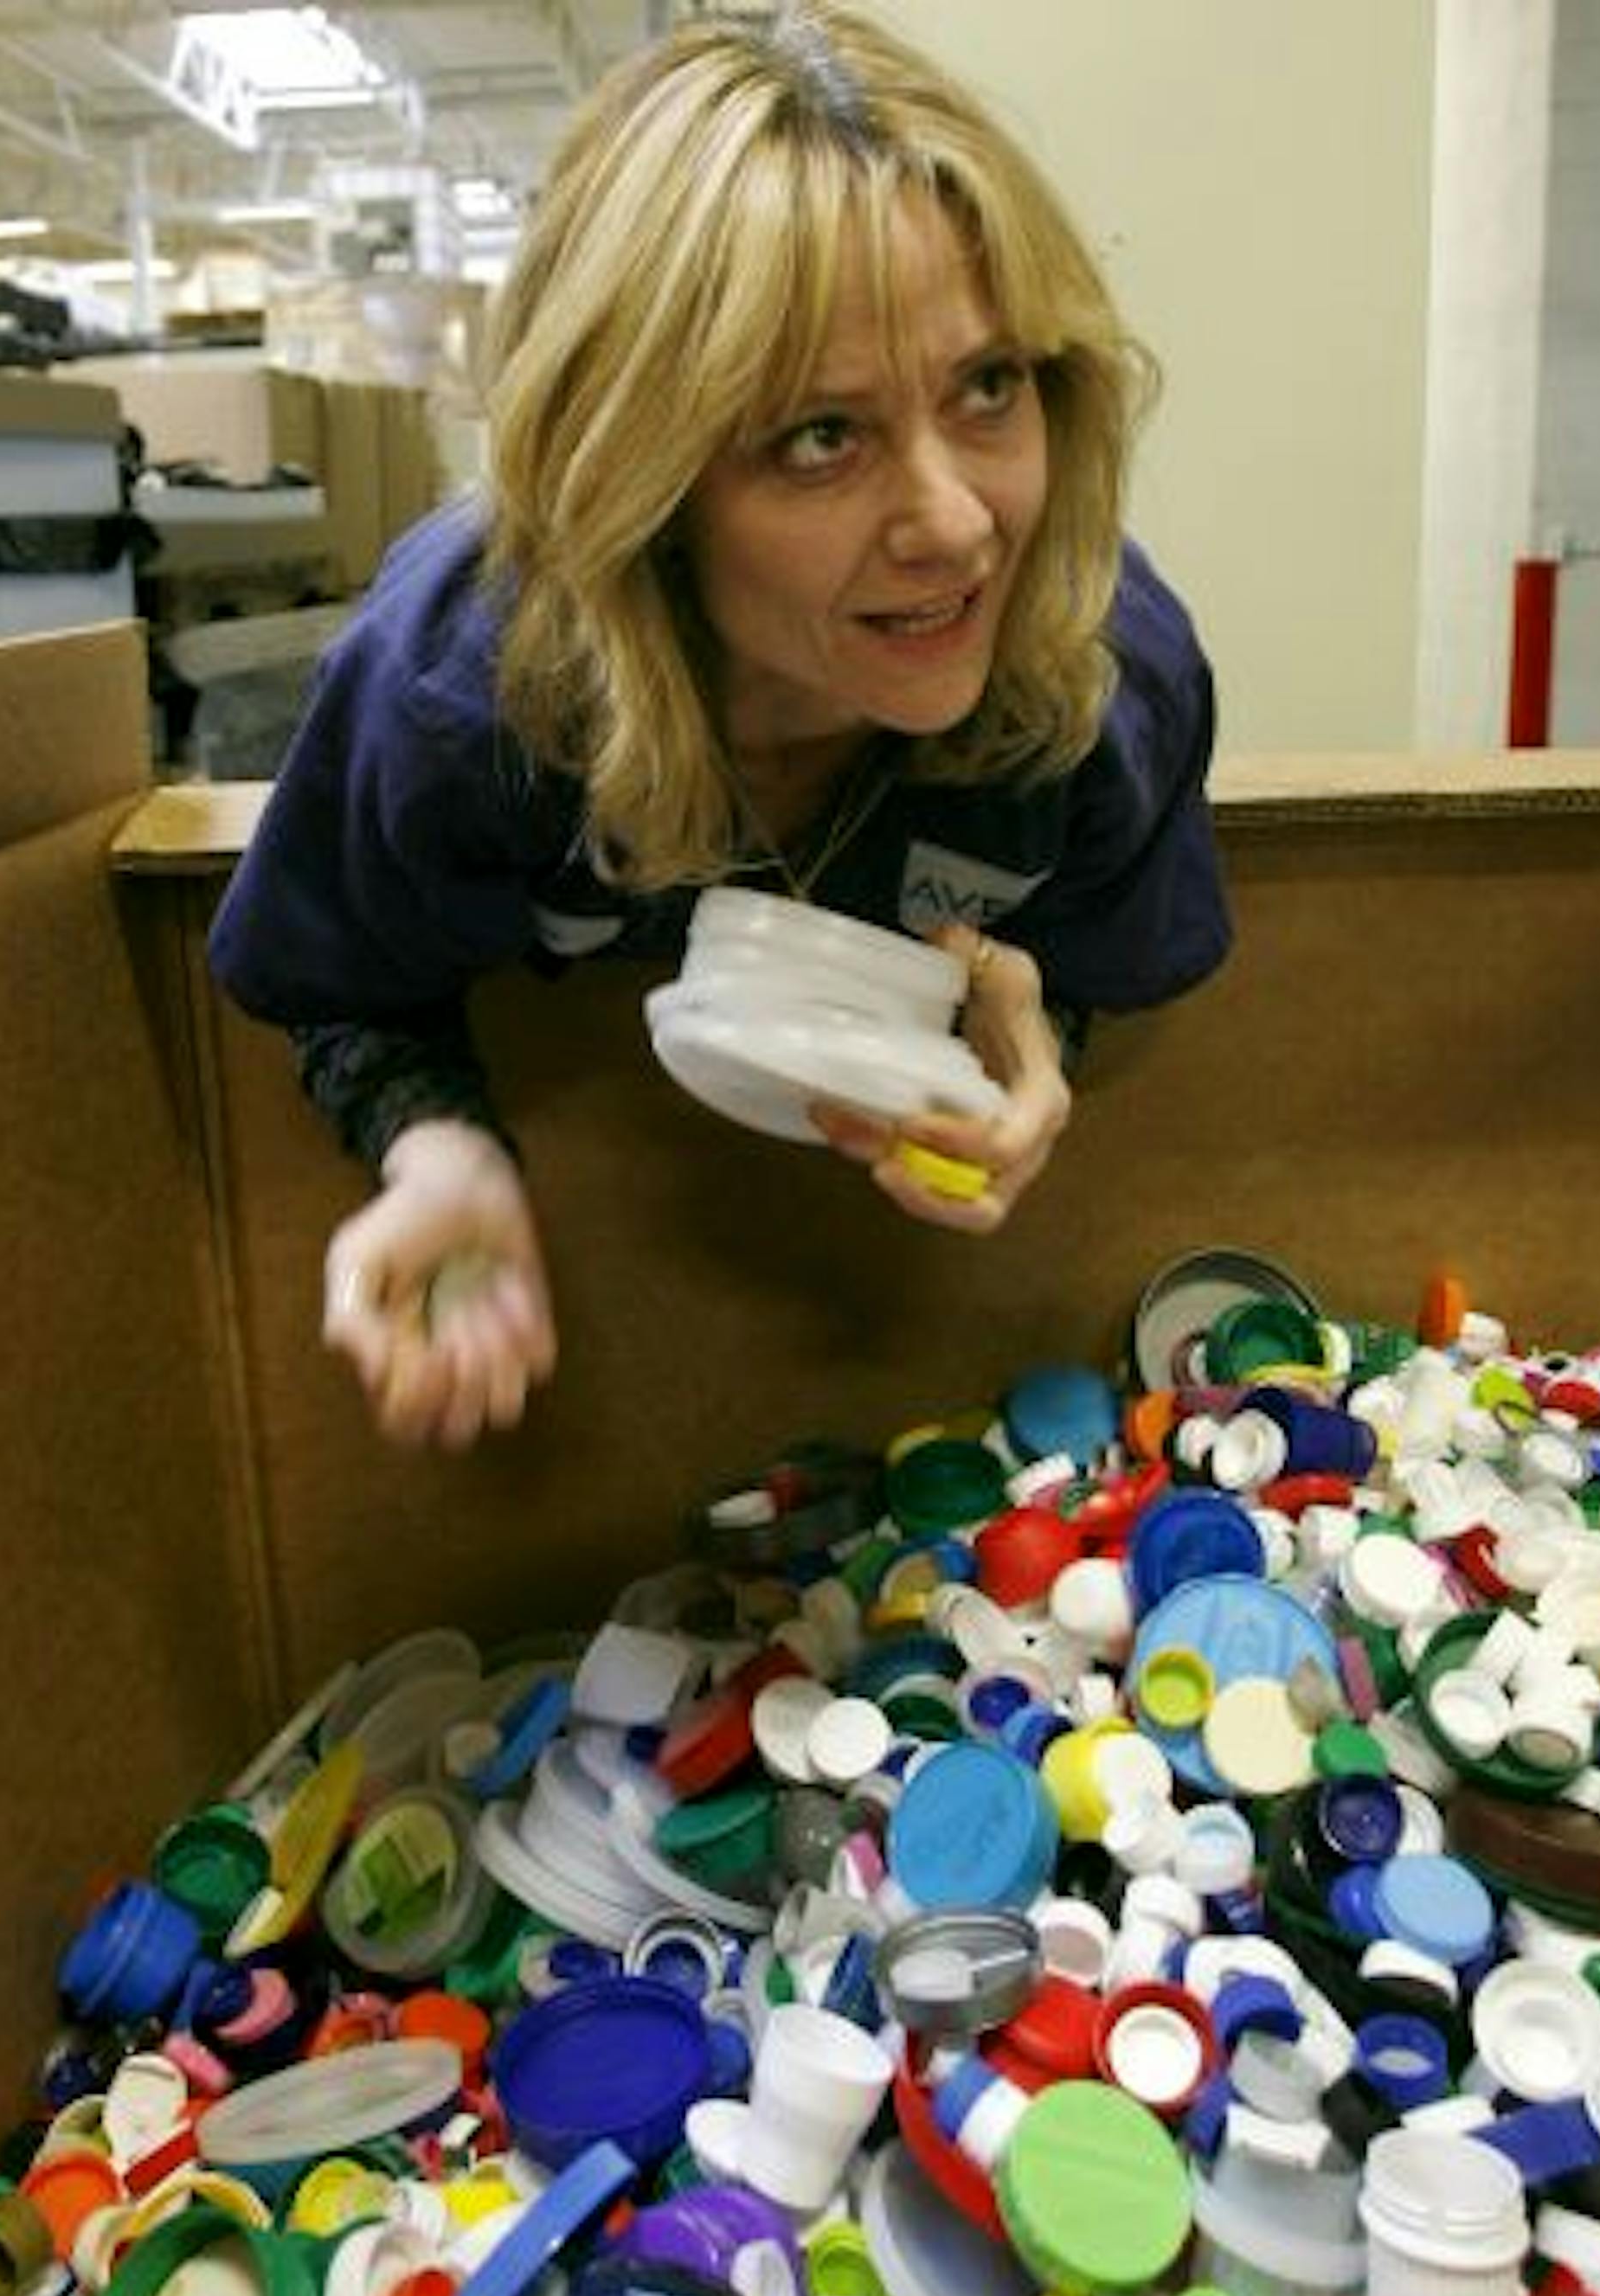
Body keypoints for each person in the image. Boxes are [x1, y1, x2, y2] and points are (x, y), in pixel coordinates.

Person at [209, 0, 1231, 1453]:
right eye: (823, 435)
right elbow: (335, 978)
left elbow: (1096, 963)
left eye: (988, 386)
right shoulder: (461, 700)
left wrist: (1035, 1032)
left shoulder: (1104, 683)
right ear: (646, 484)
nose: (955, 524)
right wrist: (437, 1148)